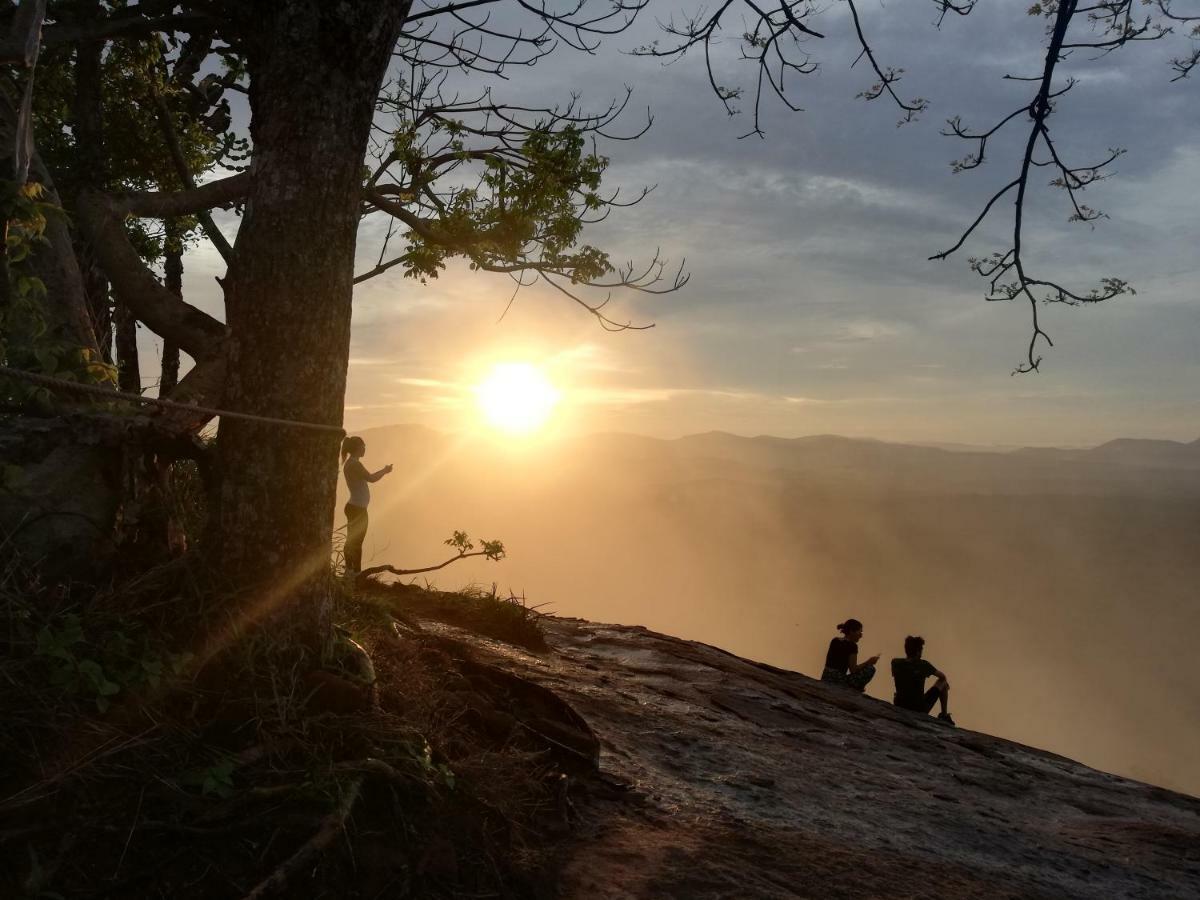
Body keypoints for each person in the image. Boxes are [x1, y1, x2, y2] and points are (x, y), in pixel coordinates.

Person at [340, 436, 393, 576]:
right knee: (356, 541)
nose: (365, 449)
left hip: (355, 507)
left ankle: (350, 571)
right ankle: (355, 573)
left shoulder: (351, 463)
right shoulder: (354, 464)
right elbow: (371, 478)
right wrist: (385, 471)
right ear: (358, 447)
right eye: (364, 446)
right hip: (357, 509)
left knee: (353, 540)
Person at [891, 635, 955, 725]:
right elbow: (942, 676)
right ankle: (944, 715)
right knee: (943, 682)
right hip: (918, 708)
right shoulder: (923, 664)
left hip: (900, 703)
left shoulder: (895, 662)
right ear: (918, 652)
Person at [821, 619, 879, 691]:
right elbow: (853, 669)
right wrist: (869, 662)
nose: (861, 635)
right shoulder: (852, 646)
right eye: (860, 632)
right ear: (852, 631)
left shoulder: (835, 640)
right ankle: (854, 689)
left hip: (826, 676)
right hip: (838, 681)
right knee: (870, 669)